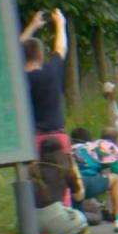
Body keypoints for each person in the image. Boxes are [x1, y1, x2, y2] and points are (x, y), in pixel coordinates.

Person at [72, 127, 118, 231]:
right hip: (87, 183)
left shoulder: (70, 149)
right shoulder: (104, 146)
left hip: (71, 187)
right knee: (116, 180)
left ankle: (77, 224)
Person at [21, 9, 70, 155]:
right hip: (58, 138)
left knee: (37, 177)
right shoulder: (51, 73)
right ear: (41, 55)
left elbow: (14, 50)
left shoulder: (19, 81)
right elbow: (61, 48)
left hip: (34, 141)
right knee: (65, 176)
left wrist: (32, 26)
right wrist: (60, 24)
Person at [30, 137, 88, 234]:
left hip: (33, 221)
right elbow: (78, 196)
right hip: (56, 216)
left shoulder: (32, 170)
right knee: (81, 219)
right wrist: (75, 171)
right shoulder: (64, 170)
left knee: (56, 217)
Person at [103, 79, 118, 144]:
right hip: (116, 127)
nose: (116, 93)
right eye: (113, 91)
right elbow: (111, 118)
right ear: (109, 94)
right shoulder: (110, 104)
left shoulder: (113, 103)